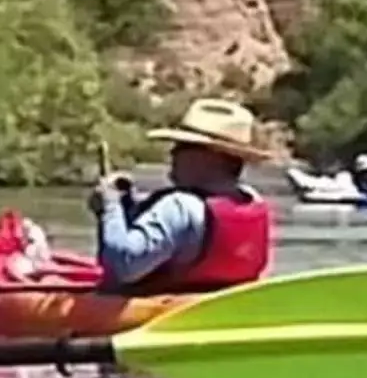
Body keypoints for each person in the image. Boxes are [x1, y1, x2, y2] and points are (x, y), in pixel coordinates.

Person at [90, 96, 276, 293]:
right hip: (221, 304)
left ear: (212, 157)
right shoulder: (252, 199)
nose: (173, 153)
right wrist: (125, 203)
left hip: (162, 310)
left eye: (184, 147)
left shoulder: (179, 207)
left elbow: (124, 266)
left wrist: (109, 207)